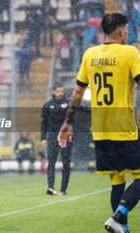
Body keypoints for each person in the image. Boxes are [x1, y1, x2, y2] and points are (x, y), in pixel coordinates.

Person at [58, 13, 140, 233]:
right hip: (124, 128)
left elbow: (77, 92)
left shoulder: (90, 54)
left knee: (118, 180)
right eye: (128, 29)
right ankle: (119, 215)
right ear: (121, 30)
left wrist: (67, 123)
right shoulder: (130, 52)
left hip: (101, 131)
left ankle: (122, 227)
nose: (129, 33)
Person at [41, 82, 72, 196]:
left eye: (62, 91)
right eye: (58, 91)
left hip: (66, 136)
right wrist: (43, 137)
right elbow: (44, 122)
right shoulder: (48, 105)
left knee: (66, 163)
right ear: (54, 92)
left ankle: (63, 190)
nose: (60, 94)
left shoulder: (68, 103)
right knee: (51, 162)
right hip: (53, 136)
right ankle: (51, 187)